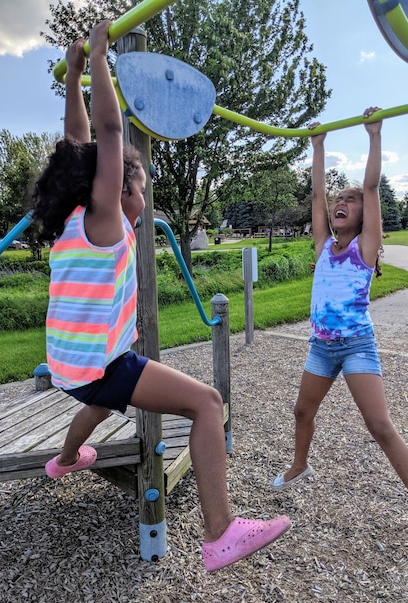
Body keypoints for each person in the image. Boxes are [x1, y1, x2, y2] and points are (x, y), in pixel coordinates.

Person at [32, 21, 290, 572]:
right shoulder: (105, 221)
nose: (144, 194)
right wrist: (100, 59)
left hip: (71, 366)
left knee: (99, 405)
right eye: (141, 184)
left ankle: (65, 459)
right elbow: (103, 131)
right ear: (117, 189)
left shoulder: (72, 221)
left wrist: (73, 73)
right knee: (207, 403)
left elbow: (78, 143)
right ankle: (220, 532)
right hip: (99, 365)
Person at [271, 108, 408, 560]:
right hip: (321, 347)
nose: (340, 203)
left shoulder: (363, 249)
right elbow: (315, 192)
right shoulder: (323, 247)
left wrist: (375, 134)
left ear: (364, 214)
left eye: (350, 201)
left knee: (380, 426)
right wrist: (317, 146)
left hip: (356, 346)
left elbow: (371, 187)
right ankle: (299, 465)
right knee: (300, 411)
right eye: (338, 201)